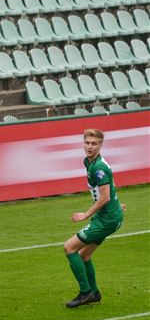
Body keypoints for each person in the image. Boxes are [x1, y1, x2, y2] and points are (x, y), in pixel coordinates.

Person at [63, 129, 125, 308]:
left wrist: (86, 214)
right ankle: (94, 293)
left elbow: (104, 197)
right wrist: (117, 203)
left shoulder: (99, 167)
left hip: (106, 220)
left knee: (69, 248)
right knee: (84, 255)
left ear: (100, 145)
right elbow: (109, 188)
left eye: (94, 143)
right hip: (109, 215)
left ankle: (85, 293)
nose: (90, 146)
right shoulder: (91, 162)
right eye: (87, 142)